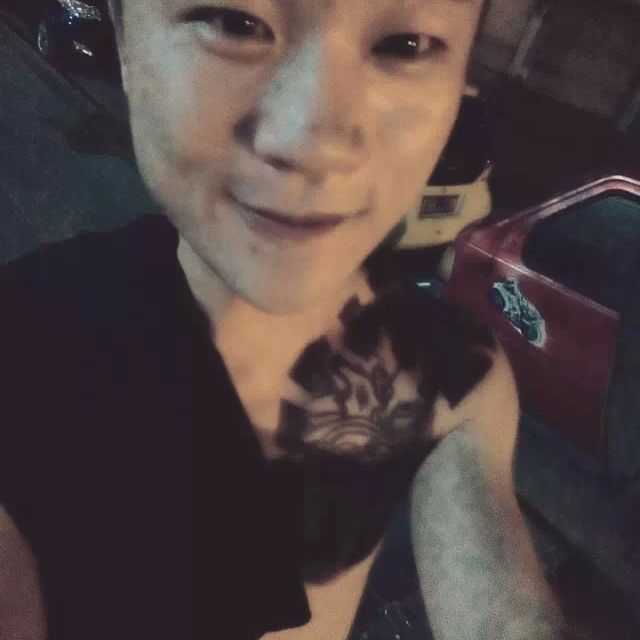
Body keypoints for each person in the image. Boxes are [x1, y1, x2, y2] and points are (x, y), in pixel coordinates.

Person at [0, 0, 583, 638]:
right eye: (234, 22)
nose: (313, 144)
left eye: (406, 45)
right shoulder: (25, 344)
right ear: (121, 32)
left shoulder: (453, 370)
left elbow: (507, 620)